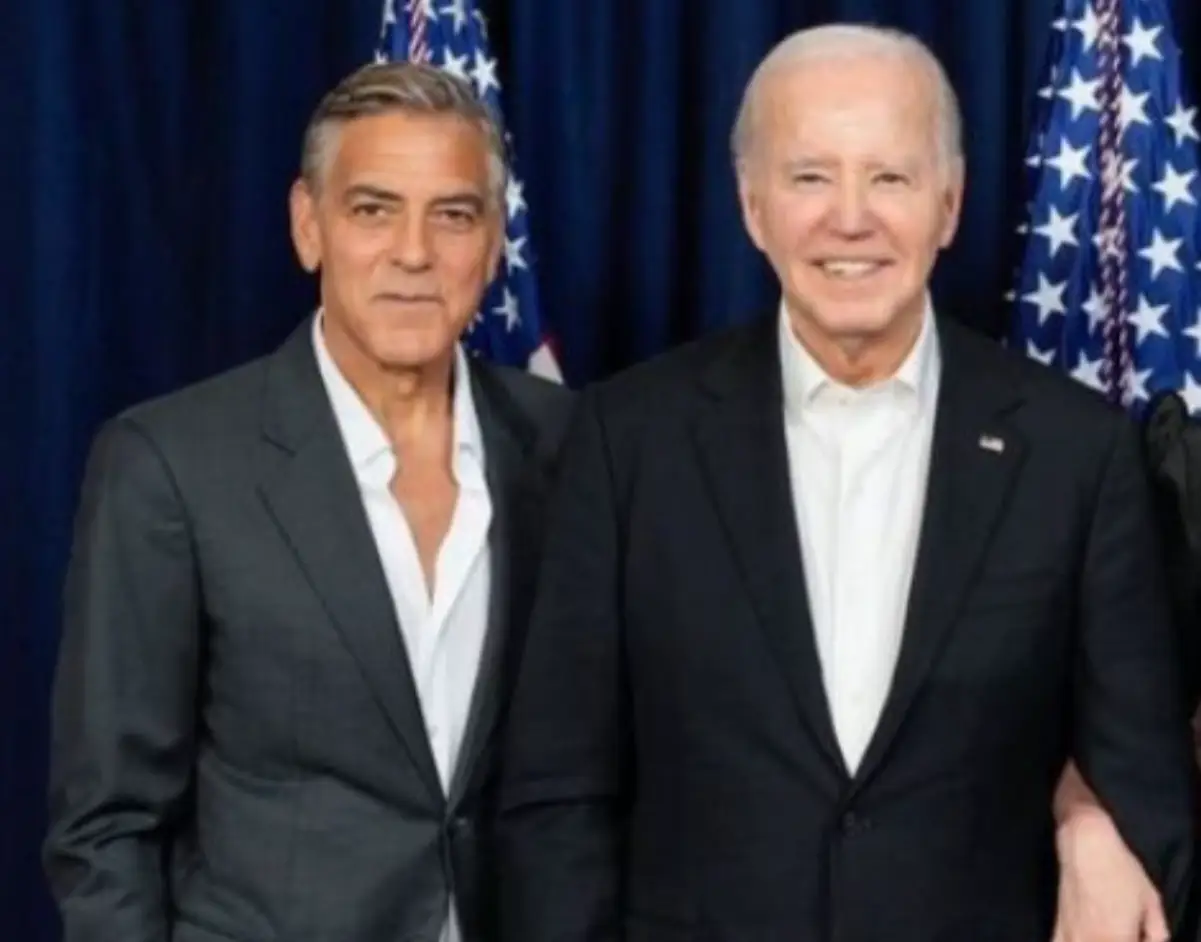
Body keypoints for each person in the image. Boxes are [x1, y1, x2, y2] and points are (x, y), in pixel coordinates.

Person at [496, 24, 1197, 942]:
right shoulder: (627, 440)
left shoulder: (1079, 454)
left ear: (948, 204)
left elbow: (1143, 782)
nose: (850, 218)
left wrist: (1095, 821)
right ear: (752, 207)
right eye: (809, 177)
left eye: (889, 177)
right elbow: (556, 795)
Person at [43, 61, 572, 942]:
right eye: (373, 210)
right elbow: (108, 826)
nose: (413, 253)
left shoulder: (567, 444)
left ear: (491, 242)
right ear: (308, 224)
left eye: (452, 214)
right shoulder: (171, 465)